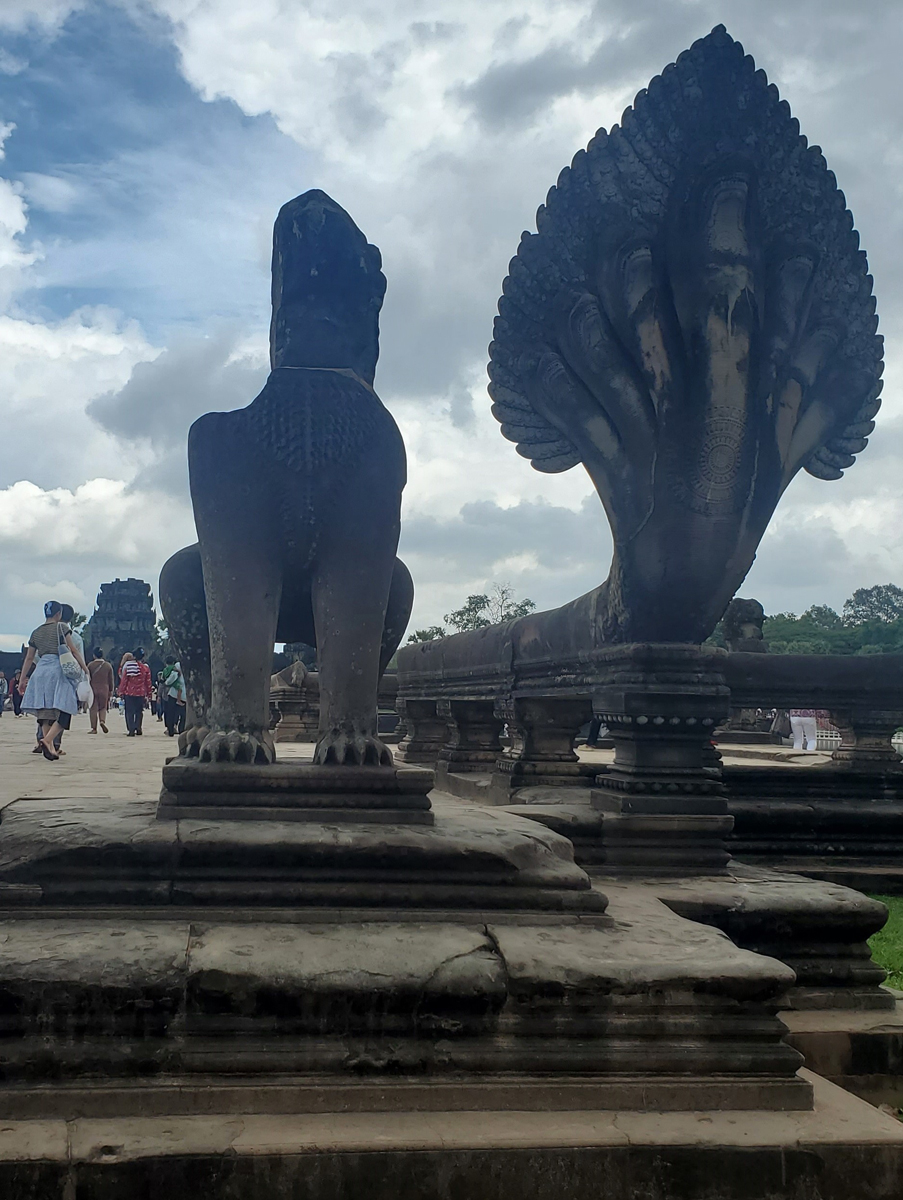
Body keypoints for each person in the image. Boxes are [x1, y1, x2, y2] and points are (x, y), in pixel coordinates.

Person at [18, 600, 87, 760]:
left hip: (41, 671)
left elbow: (29, 658)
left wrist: (22, 678)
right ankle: (48, 740)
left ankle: (48, 746)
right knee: (66, 707)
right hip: (58, 670)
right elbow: (73, 650)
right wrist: (84, 667)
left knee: (44, 709)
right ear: (59, 614)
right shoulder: (62, 628)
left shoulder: (36, 632)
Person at [119, 647, 153, 737]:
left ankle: (131, 729)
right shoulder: (146, 668)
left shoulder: (129, 666)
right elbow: (148, 682)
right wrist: (149, 694)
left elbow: (124, 680)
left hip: (129, 692)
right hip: (141, 693)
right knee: (139, 711)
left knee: (129, 712)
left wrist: (121, 691)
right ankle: (138, 728)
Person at [87, 648, 115, 734]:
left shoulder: (90, 665)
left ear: (94, 655)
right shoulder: (108, 665)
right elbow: (111, 680)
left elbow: (87, 677)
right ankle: (102, 721)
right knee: (103, 707)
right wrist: (111, 690)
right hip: (104, 688)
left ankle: (94, 728)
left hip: (93, 688)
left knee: (93, 708)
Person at [161, 656, 187, 736]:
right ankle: (182, 730)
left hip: (174, 693)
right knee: (183, 714)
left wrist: (167, 683)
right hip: (185, 694)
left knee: (171, 713)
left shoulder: (178, 665)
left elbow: (173, 676)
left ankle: (171, 730)